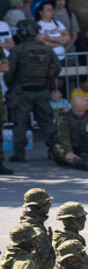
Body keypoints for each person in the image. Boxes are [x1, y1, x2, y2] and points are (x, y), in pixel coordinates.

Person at [4, 20, 60, 163]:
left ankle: (19, 154)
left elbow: (9, 73)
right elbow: (56, 67)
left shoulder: (18, 50)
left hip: (23, 92)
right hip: (41, 89)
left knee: (20, 123)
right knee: (47, 122)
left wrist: (11, 85)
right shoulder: (46, 49)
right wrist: (48, 77)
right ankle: (55, 151)